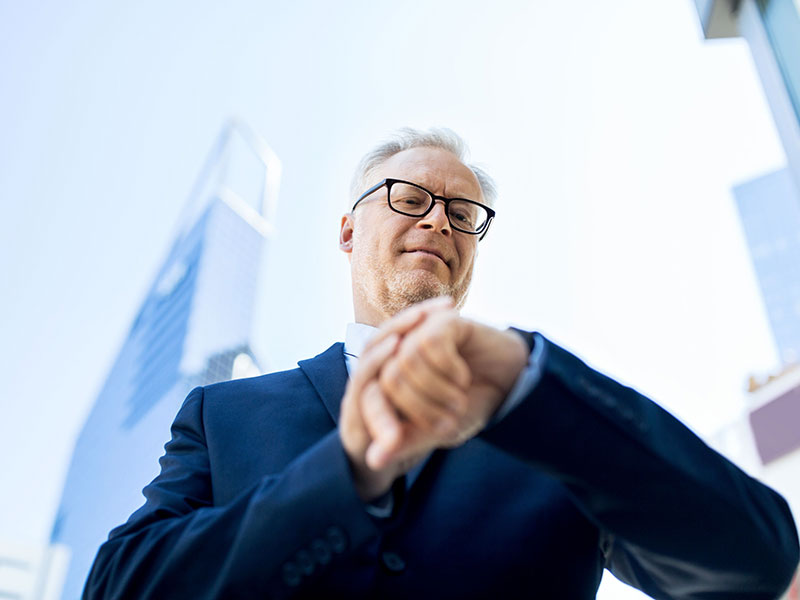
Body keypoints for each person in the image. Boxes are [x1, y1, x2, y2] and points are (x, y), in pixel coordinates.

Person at [84, 128, 799, 599]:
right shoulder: (224, 414)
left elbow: (755, 565)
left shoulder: (555, 420)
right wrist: (346, 474)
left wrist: (534, 388)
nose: (437, 221)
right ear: (346, 230)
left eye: (463, 214)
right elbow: (117, 587)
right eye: (411, 198)